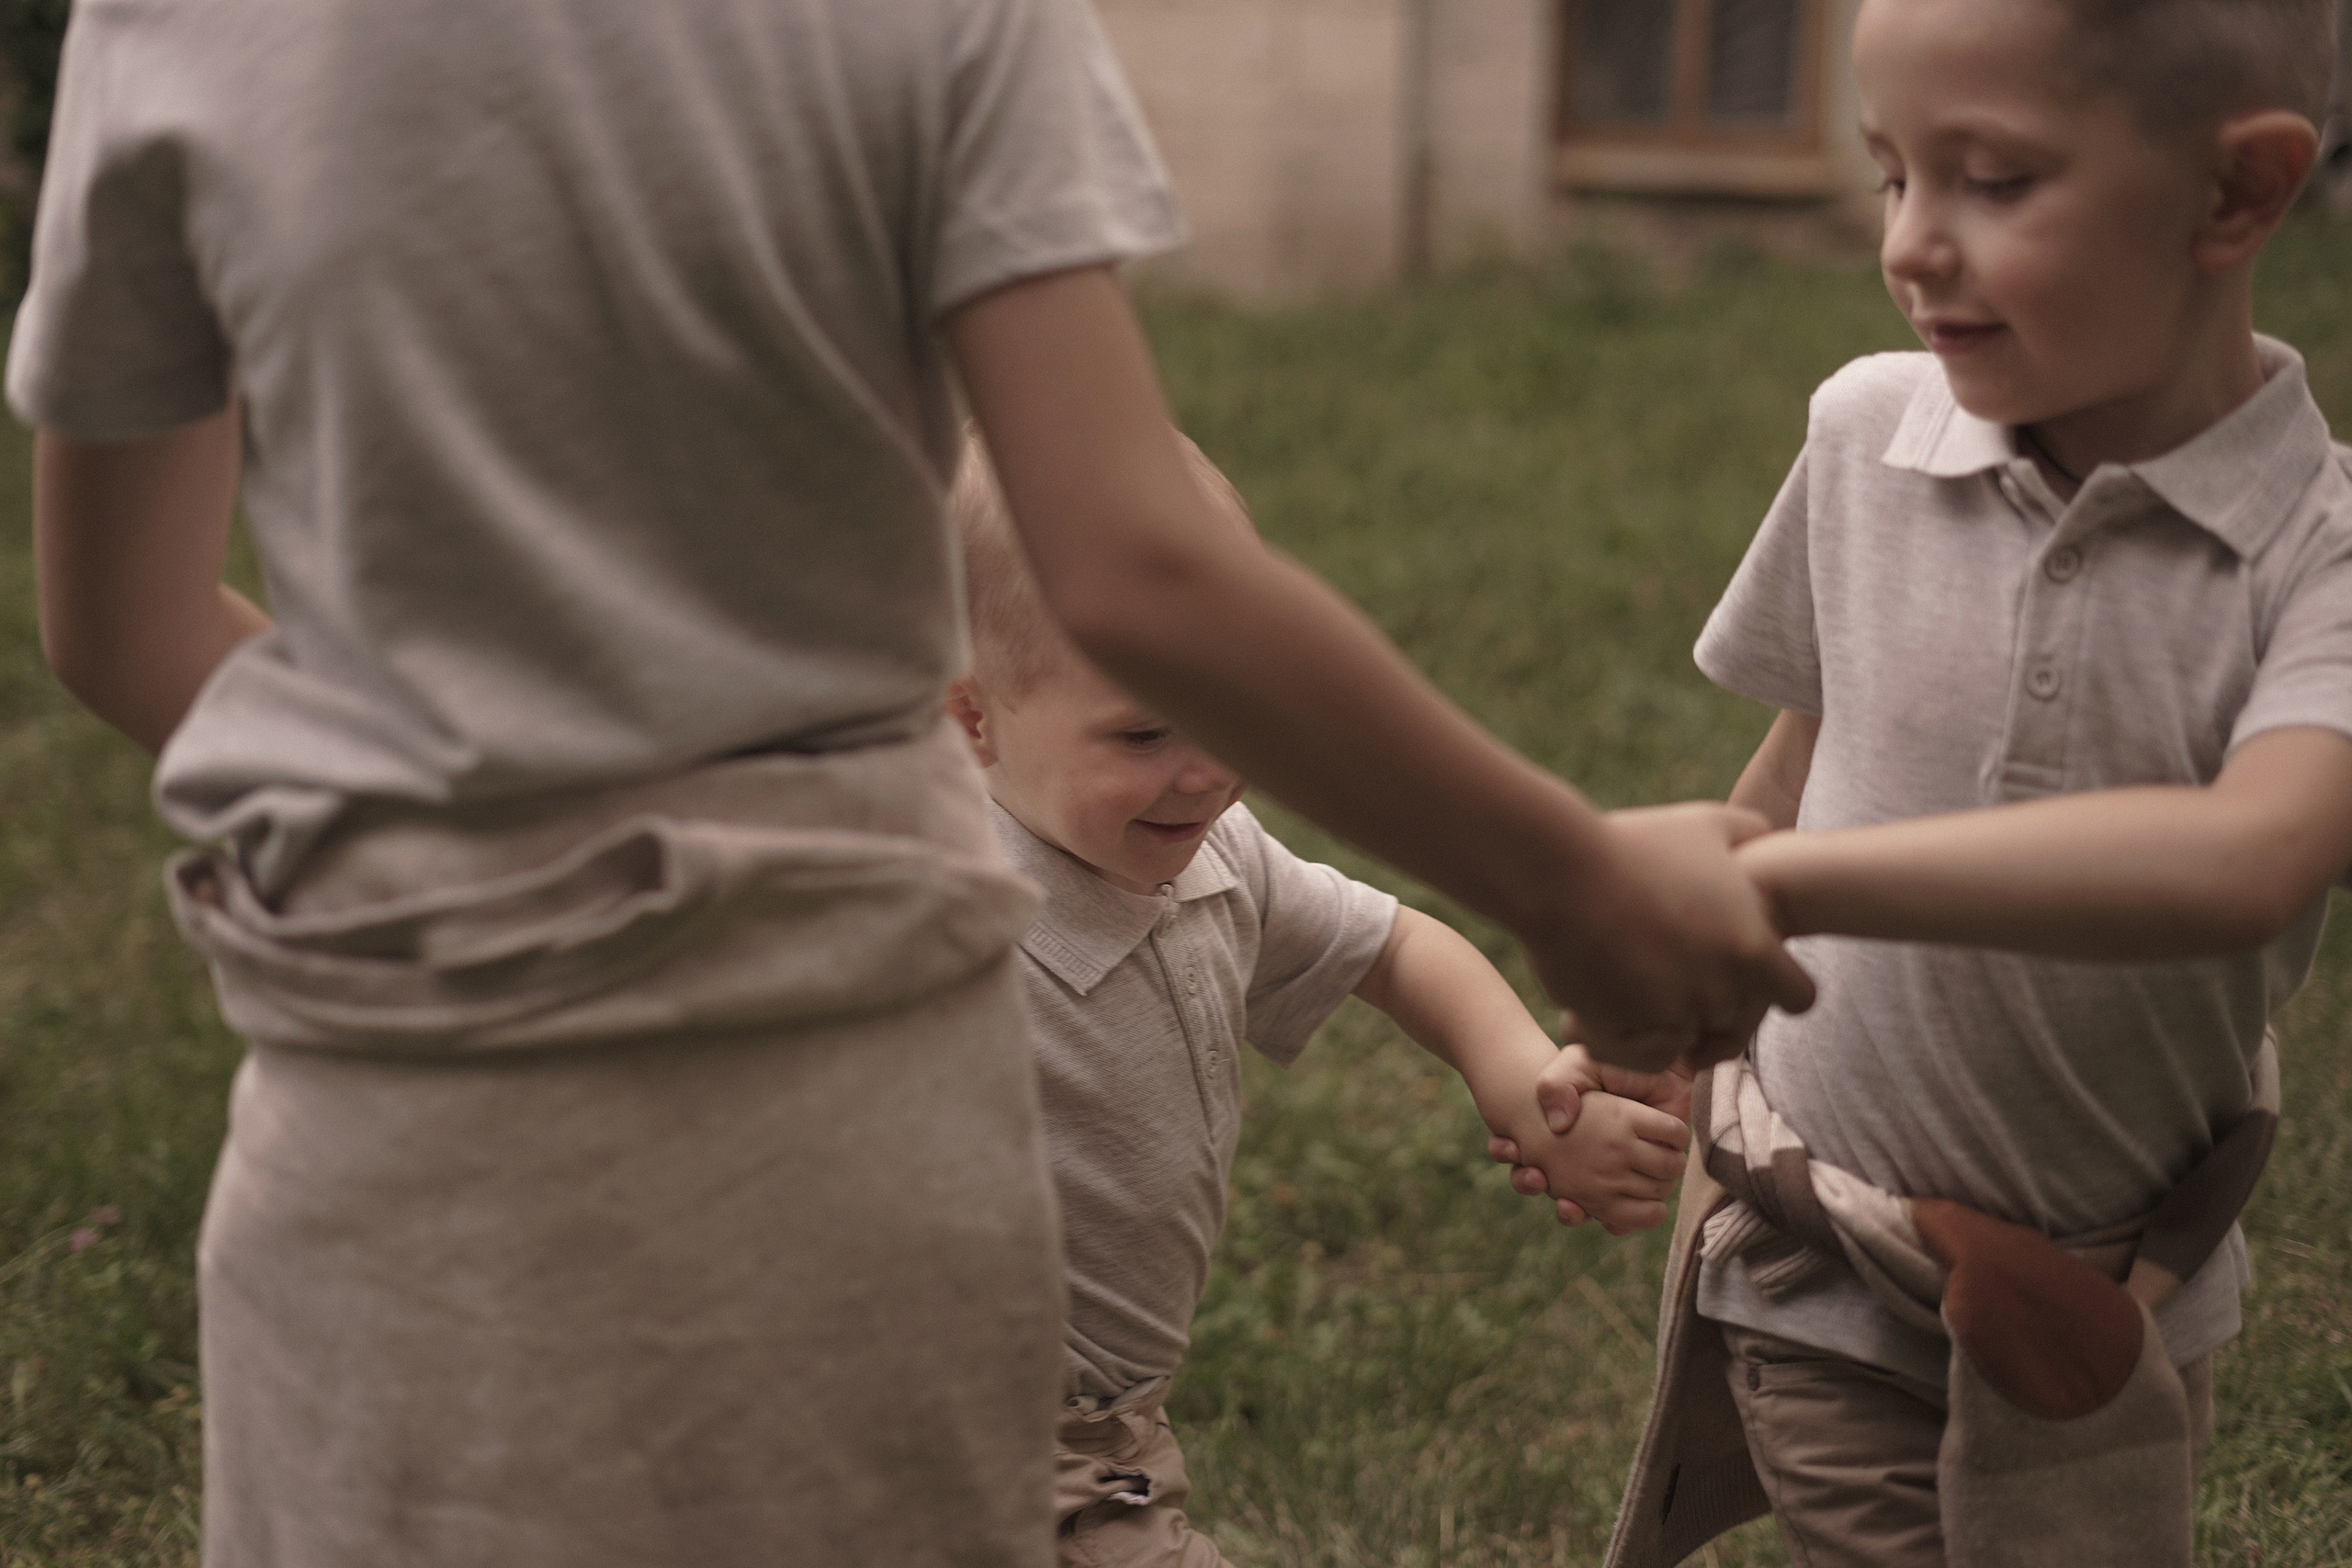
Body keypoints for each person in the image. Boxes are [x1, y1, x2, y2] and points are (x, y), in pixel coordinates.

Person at [7, 1, 1813, 1562]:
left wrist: (470, 788)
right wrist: (1566, 877)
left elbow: (121, 624)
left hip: (392, 1109)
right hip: (820, 1088)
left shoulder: (177, 20)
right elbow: (1130, 568)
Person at [1499, 0, 2352, 1562]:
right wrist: (1667, 993)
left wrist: (1779, 885)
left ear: (2237, 195)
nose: (1911, 244)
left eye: (1994, 182)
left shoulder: (2321, 563)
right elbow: (1802, 763)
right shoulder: (1864, 436)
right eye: (1894, 174)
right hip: (1832, 1260)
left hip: (2120, 1304)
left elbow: (2251, 859)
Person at [946, 432, 1693, 1565]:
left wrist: (1516, 1072)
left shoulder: (1215, 856)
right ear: (972, 718)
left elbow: (1389, 944)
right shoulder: (943, 929)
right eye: (1143, 732)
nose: (1206, 771)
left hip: (1112, 1426)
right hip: (971, 1443)